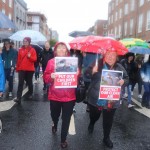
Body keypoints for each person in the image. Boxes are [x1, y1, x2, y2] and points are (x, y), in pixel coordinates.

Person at [85, 51, 128, 148]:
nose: (110, 57)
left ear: (116, 57)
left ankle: (106, 138)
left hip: (111, 99)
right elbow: (86, 74)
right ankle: (92, 122)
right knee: (94, 115)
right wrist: (92, 72)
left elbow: (127, 78)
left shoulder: (119, 67)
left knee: (108, 120)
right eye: (108, 55)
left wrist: (123, 81)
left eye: (113, 55)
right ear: (104, 56)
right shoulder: (98, 63)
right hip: (96, 98)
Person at [44, 42, 76, 148]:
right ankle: (55, 123)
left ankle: (63, 139)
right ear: (56, 51)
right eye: (59, 48)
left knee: (66, 119)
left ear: (66, 51)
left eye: (64, 48)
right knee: (55, 115)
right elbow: (45, 77)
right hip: (55, 96)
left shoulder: (72, 62)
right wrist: (51, 76)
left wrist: (77, 72)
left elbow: (77, 76)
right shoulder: (51, 62)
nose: (62, 50)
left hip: (69, 96)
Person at [14, 37, 37, 104]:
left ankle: (30, 93)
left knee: (29, 82)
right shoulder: (20, 49)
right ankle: (18, 98)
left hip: (30, 69)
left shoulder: (32, 50)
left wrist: (30, 57)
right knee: (20, 83)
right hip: (22, 69)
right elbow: (19, 60)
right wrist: (17, 68)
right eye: (24, 41)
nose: (25, 42)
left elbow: (35, 59)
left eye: (26, 41)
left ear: (29, 42)